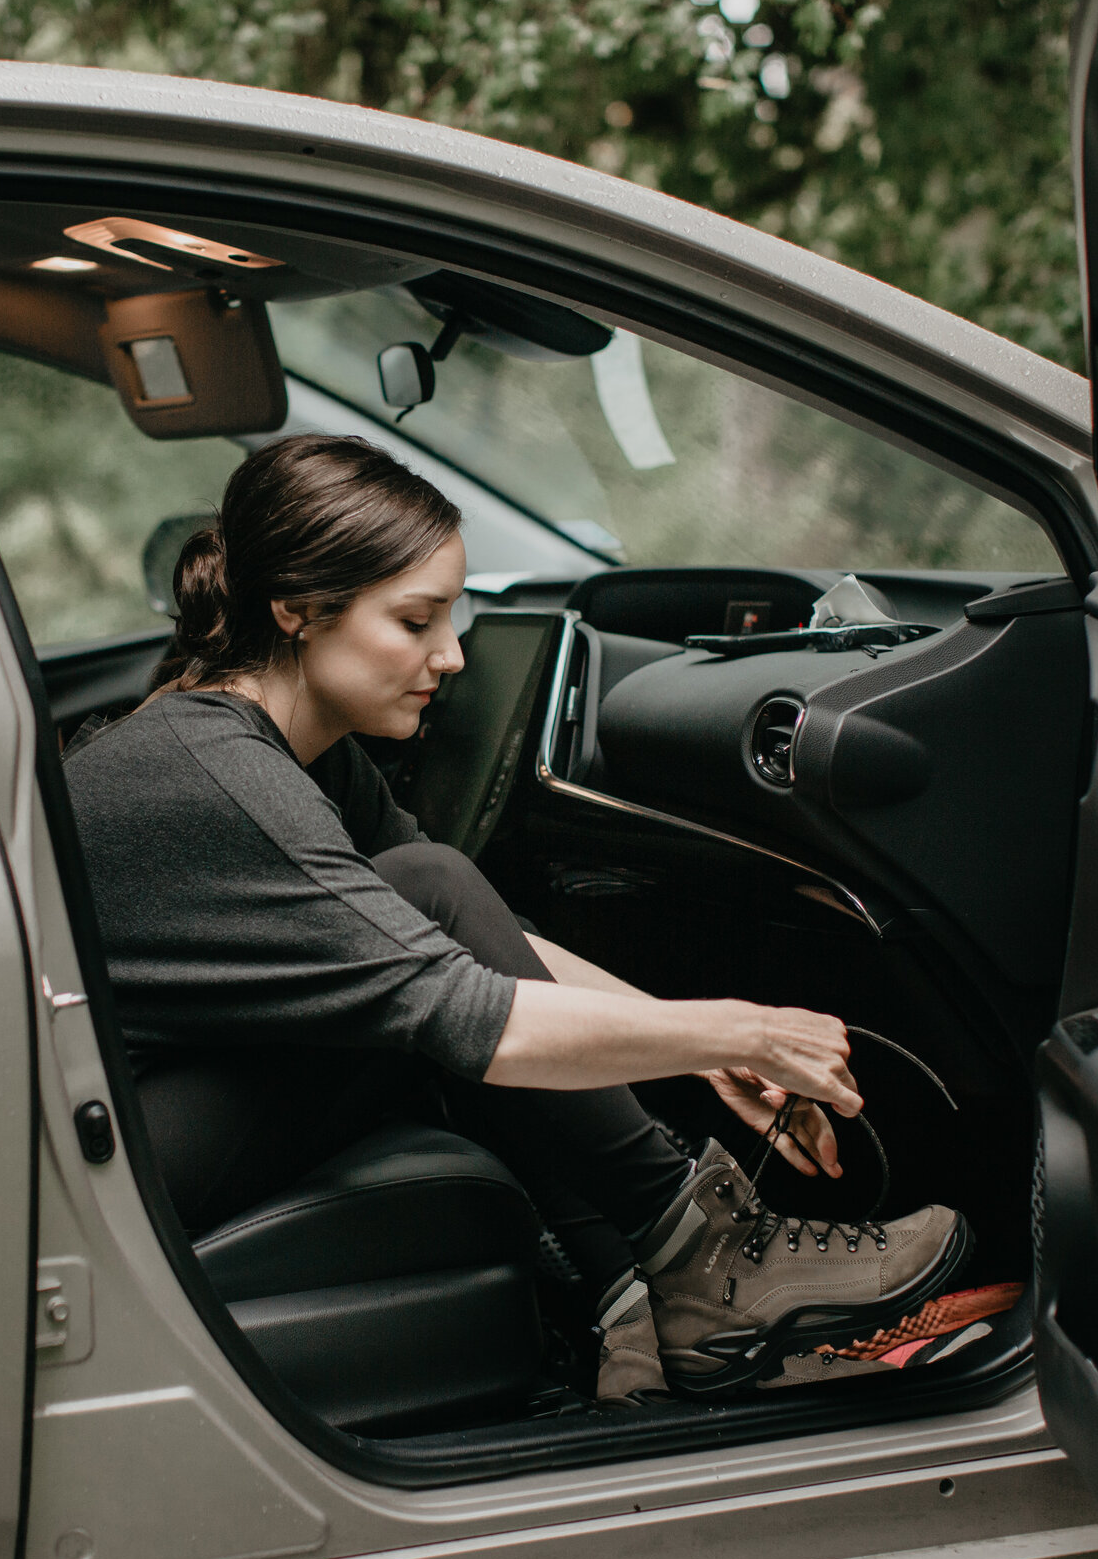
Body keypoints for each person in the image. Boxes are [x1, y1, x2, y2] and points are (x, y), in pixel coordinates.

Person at [64, 433, 973, 1403]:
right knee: (427, 897)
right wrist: (742, 1027)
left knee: (427, 891)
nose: (449, 655)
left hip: (139, 1105)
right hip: (106, 1154)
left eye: (449, 618)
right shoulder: (222, 778)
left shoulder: (292, 741)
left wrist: (702, 1051)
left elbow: (459, 936)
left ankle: (629, 1298)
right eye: (412, 622)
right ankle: (703, 1258)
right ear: (295, 609)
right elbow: (458, 992)